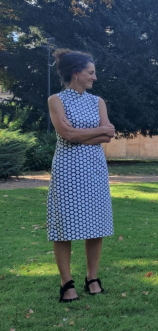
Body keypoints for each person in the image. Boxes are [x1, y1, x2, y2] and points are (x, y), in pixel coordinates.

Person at [46, 49, 115, 303]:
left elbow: (108, 136)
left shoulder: (98, 102)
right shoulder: (56, 100)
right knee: (64, 226)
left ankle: (92, 277)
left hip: (94, 168)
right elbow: (67, 135)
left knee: (95, 224)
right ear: (76, 74)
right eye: (90, 73)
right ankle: (67, 283)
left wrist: (83, 134)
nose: (94, 78)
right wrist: (94, 132)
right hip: (66, 169)